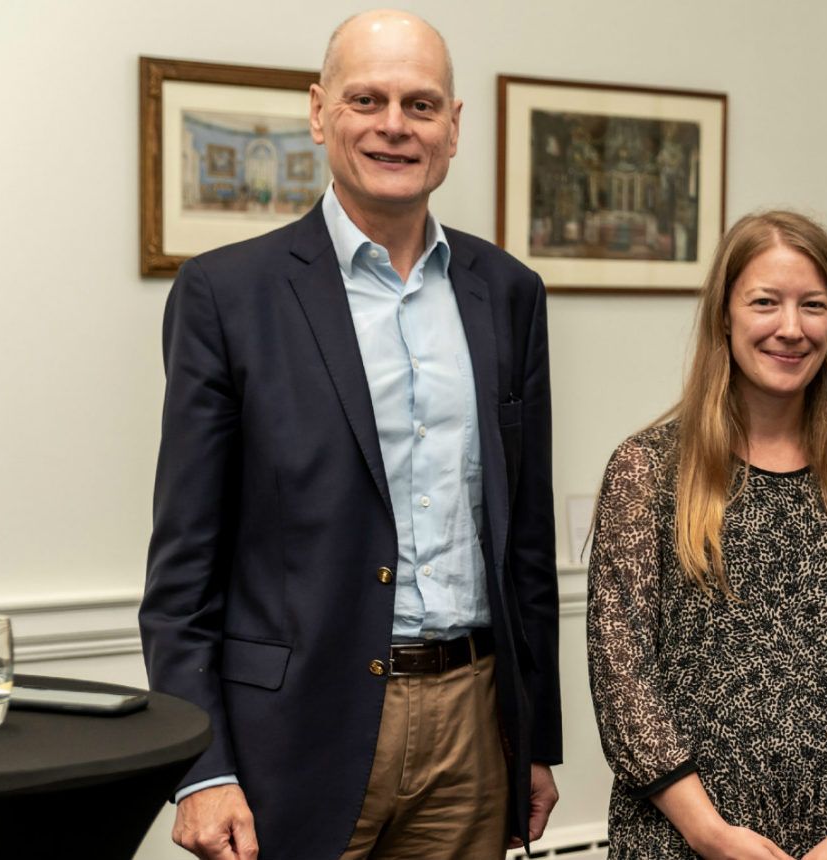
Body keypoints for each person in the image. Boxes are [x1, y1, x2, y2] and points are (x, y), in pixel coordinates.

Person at [139, 11, 561, 859]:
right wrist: (202, 767)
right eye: (367, 99)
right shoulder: (228, 294)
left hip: (473, 732)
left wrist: (537, 739)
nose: (394, 126)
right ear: (319, 110)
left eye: (421, 104)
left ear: (453, 127)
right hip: (289, 737)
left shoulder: (508, 293)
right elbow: (184, 564)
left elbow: (526, 543)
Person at [587, 210, 827, 859]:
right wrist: (712, 835)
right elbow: (623, 678)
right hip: (684, 840)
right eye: (765, 303)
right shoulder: (650, 472)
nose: (791, 328)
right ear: (725, 315)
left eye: (813, 306)